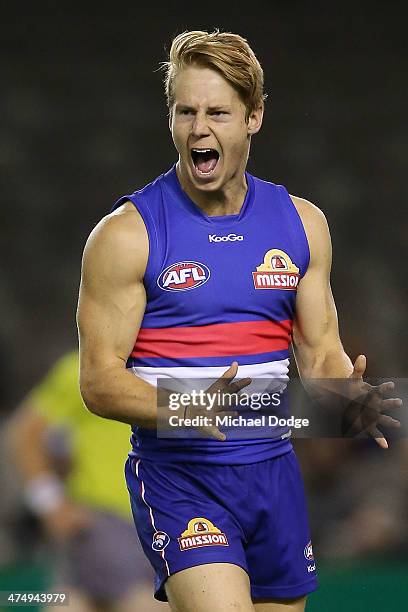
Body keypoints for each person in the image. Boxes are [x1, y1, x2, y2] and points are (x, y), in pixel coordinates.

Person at [77, 30, 400, 612]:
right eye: (186, 112)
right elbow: (98, 382)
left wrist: (342, 396)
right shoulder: (127, 235)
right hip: (180, 478)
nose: (199, 129)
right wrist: (187, 409)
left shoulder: (301, 224)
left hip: (273, 476)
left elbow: (320, 350)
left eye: (218, 113)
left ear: (254, 117)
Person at [6, 350, 163, 612]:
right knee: (141, 602)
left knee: (74, 601)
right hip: (106, 518)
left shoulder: (179, 365)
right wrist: (50, 502)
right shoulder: (84, 365)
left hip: (168, 517)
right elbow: (25, 433)